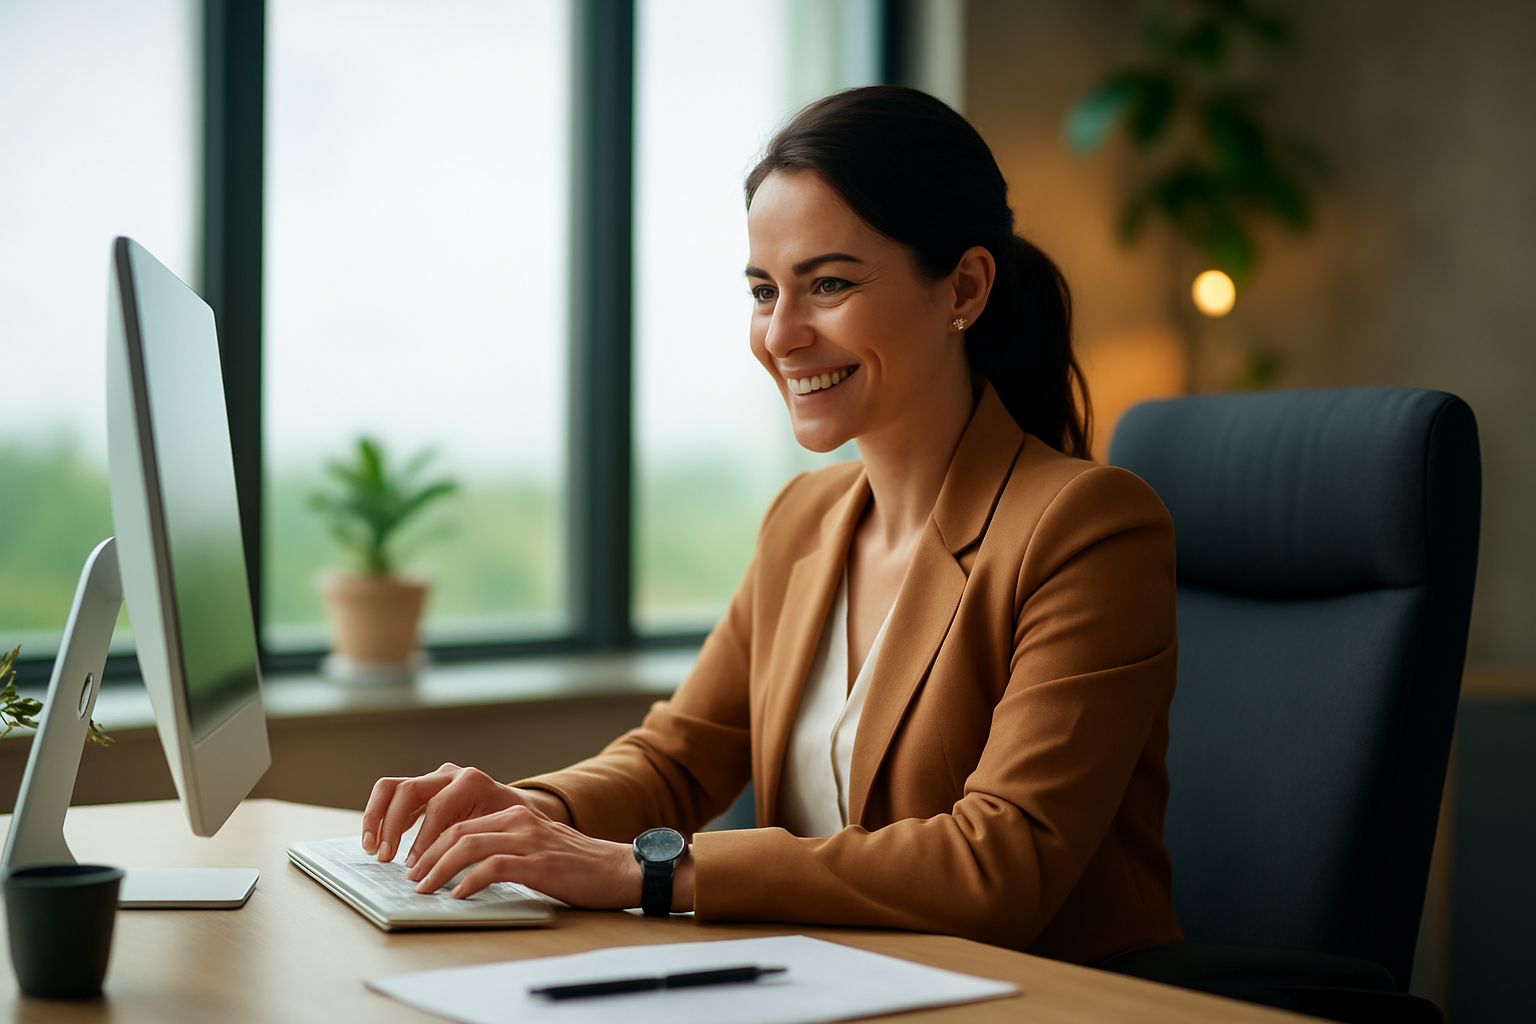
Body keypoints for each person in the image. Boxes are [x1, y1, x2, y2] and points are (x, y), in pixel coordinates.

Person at [361, 85, 1182, 965]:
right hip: (831, 985)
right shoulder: (804, 520)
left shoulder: (1086, 527)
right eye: (763, 290)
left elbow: (1001, 862)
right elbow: (678, 760)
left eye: (828, 284)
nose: (781, 335)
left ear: (965, 288)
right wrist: (530, 814)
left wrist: (645, 876)